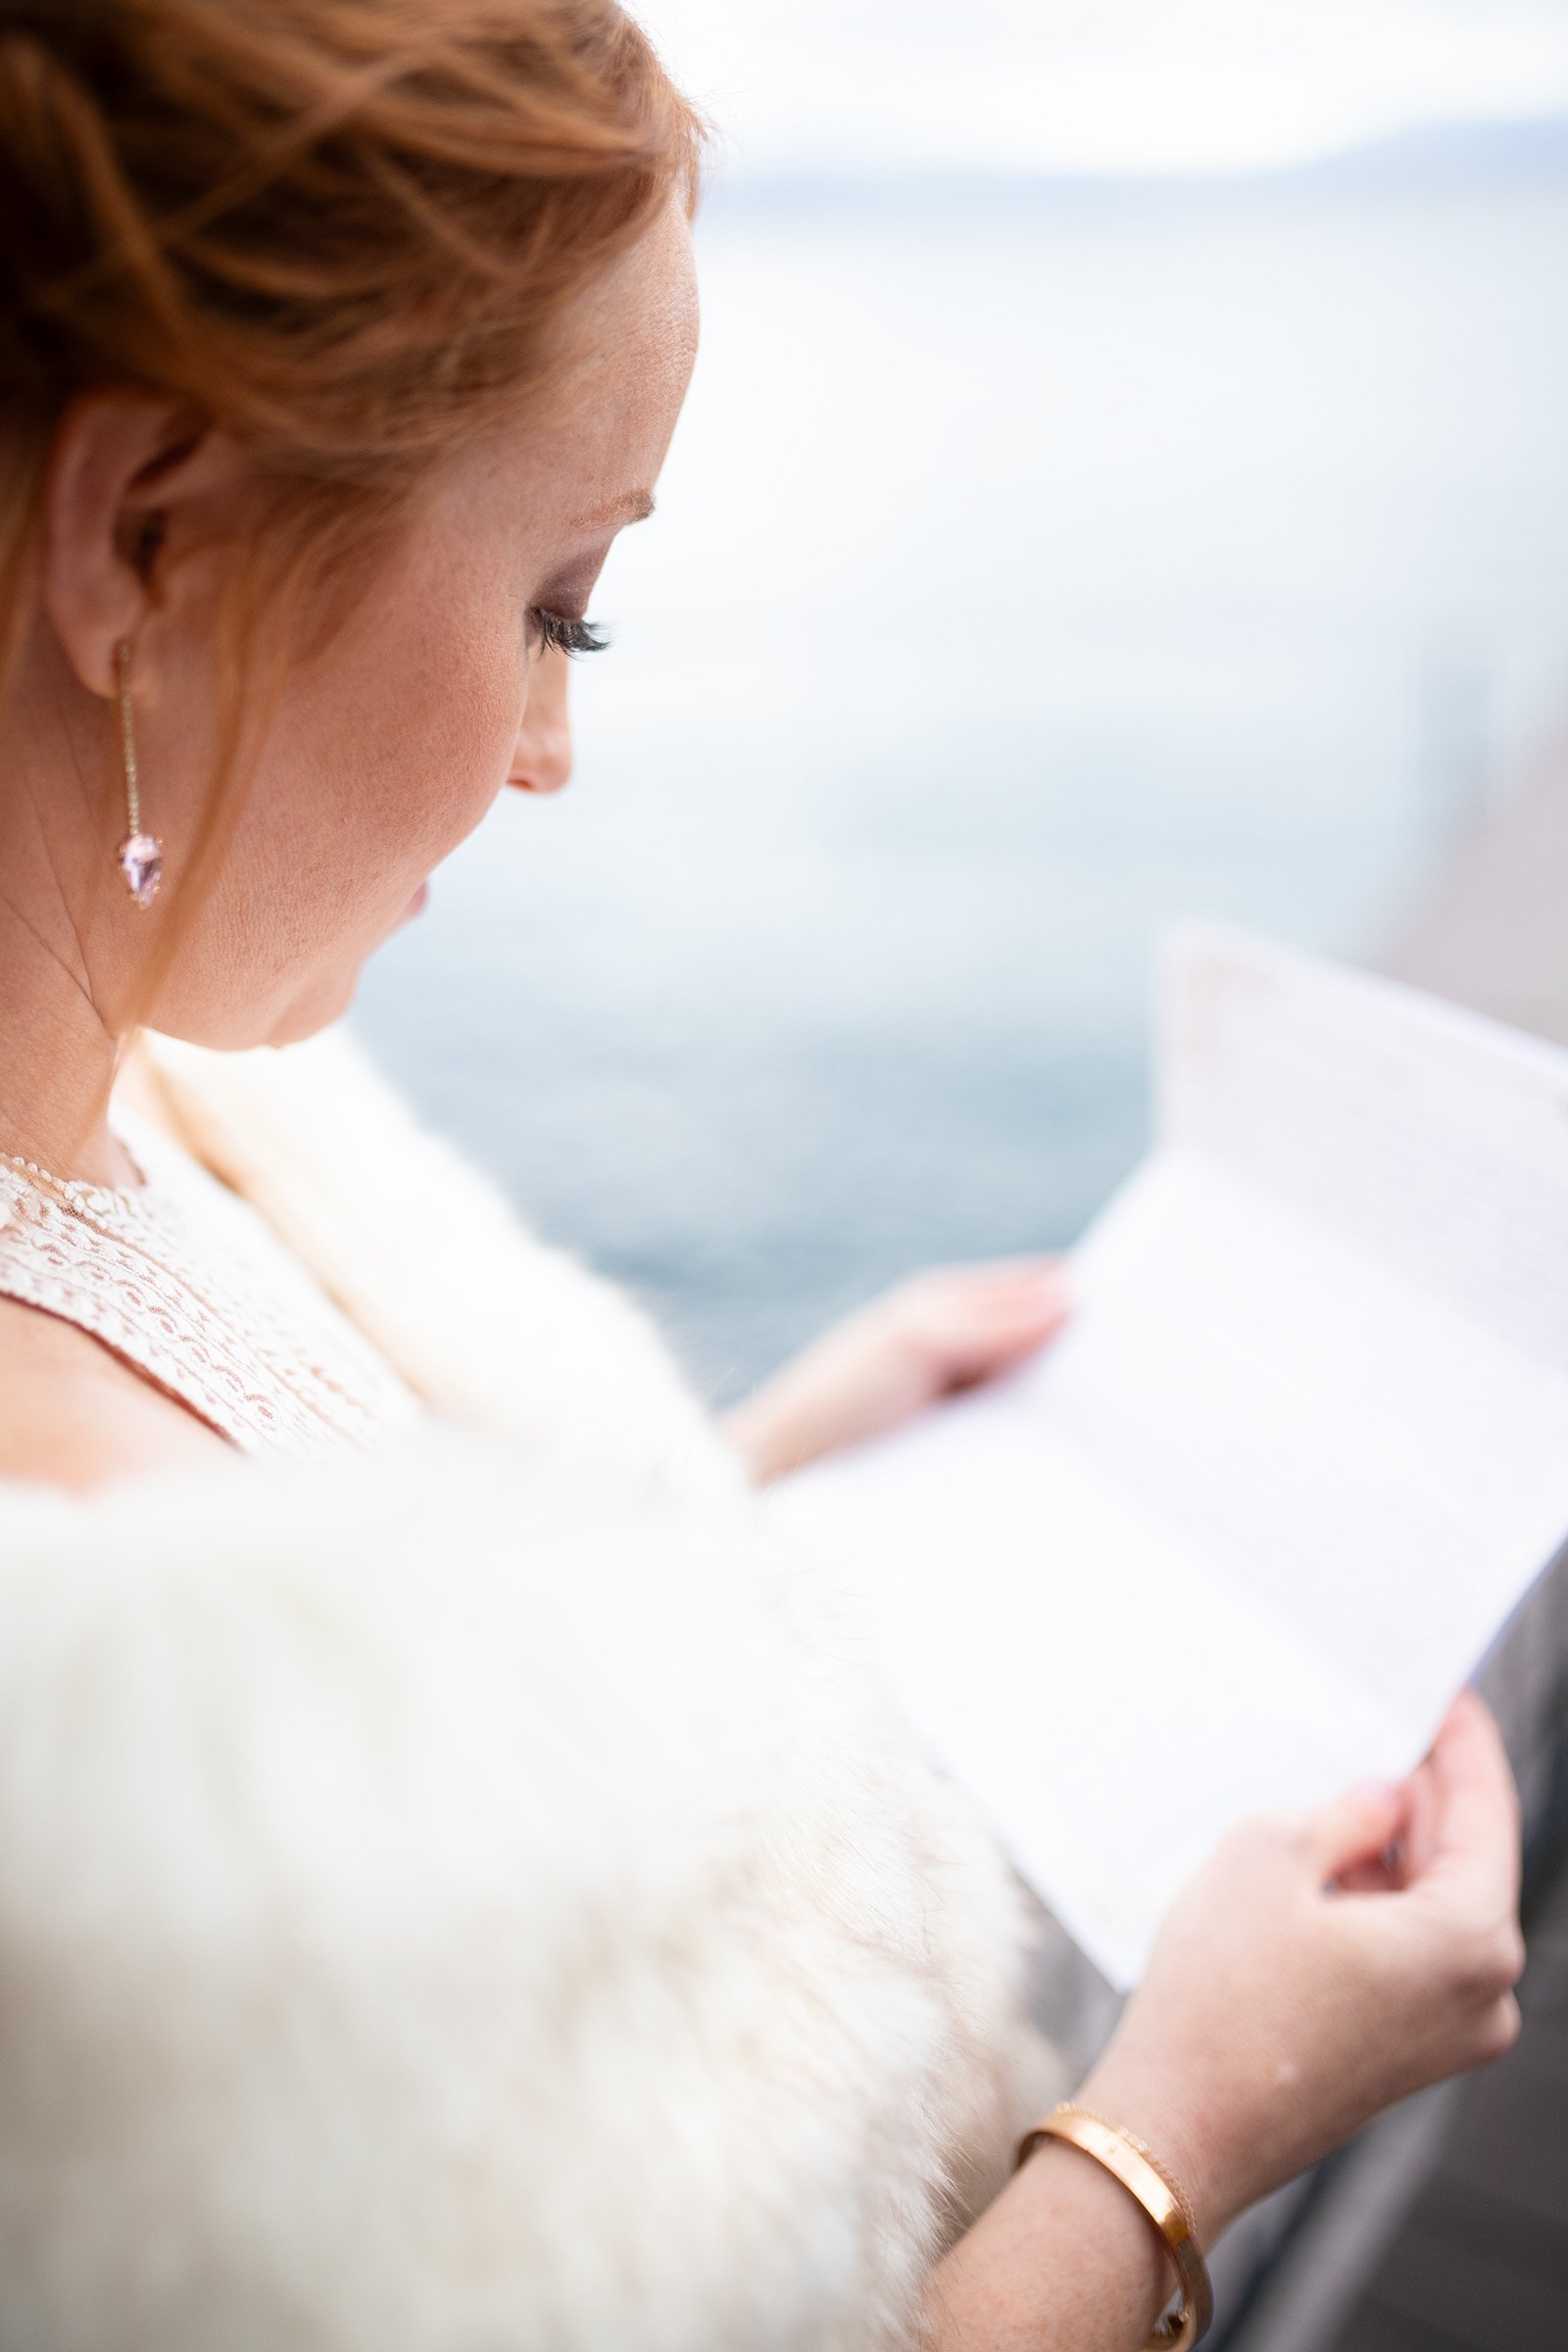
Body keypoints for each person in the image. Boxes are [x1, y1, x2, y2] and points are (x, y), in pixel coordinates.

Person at [0, 5, 1523, 2347]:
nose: (550, 746)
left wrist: (729, 1474)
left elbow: (352, 1620)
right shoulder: (109, 1780)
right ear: (143, 533)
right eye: (556, 597)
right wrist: (1179, 2128)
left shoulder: (159, 1093)